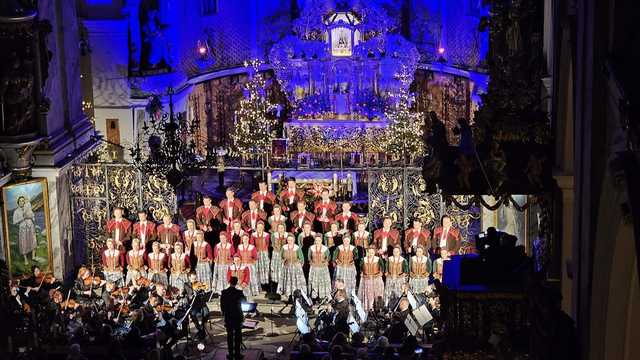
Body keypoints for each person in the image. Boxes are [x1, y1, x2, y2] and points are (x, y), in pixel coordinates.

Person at [220, 276, 246, 360]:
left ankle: (231, 354)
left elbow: (222, 306)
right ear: (236, 283)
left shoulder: (224, 292)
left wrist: (224, 314)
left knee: (229, 336)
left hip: (228, 317)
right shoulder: (239, 292)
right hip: (238, 317)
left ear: (229, 282)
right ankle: (237, 354)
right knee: (238, 336)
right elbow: (244, 302)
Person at [359, 246, 385, 312]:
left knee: (377, 294)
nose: (370, 254)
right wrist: (362, 272)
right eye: (369, 252)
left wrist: (381, 272)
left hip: (376, 279)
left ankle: (378, 309)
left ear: (374, 253)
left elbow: (382, 266)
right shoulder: (363, 259)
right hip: (367, 279)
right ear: (367, 252)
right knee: (368, 294)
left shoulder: (378, 259)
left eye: (372, 252)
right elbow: (361, 267)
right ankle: (369, 308)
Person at [308, 234, 331, 300]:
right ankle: (314, 296)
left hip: (323, 267)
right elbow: (309, 256)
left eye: (319, 240)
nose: (317, 242)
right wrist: (311, 262)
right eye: (316, 240)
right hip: (314, 268)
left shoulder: (325, 248)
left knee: (322, 282)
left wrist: (326, 261)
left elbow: (328, 257)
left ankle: (322, 296)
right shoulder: (311, 248)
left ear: (321, 240)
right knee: (314, 281)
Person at [250, 221, 270, 288]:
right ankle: (257, 284)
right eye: (258, 227)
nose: (260, 228)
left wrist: (265, 252)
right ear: (256, 227)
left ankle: (265, 284)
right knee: (257, 268)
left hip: (264, 253)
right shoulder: (253, 235)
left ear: (263, 227)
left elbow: (267, 244)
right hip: (257, 252)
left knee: (264, 268)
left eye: (261, 227)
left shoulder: (266, 235)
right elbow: (252, 245)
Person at [270, 222, 288, 287]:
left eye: (282, 228)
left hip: (284, 254)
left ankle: (283, 284)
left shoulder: (287, 235)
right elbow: (272, 244)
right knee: (276, 268)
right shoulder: (274, 235)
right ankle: (276, 284)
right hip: (276, 253)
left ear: (284, 228)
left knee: (283, 268)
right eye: (279, 228)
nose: (280, 229)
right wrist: (276, 249)